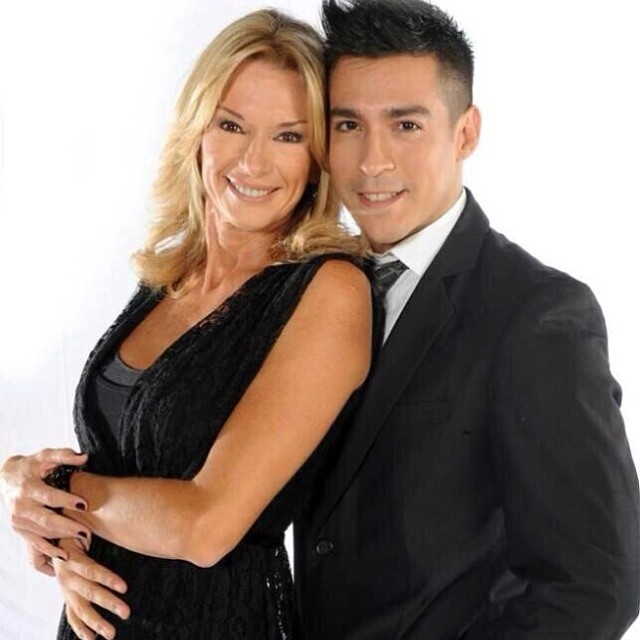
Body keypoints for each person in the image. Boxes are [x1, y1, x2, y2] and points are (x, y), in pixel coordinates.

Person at [0, 8, 372, 640]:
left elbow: (205, 526)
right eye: (232, 125)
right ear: (197, 129)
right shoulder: (166, 277)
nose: (253, 162)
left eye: (288, 136)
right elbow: (123, 472)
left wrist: (54, 487)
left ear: (319, 158)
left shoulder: (330, 291)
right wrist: (47, 520)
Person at [291, 1, 640, 638]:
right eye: (348, 125)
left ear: (466, 133)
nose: (372, 161)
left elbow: (598, 585)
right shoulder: (314, 291)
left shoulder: (537, 315)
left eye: (406, 125)